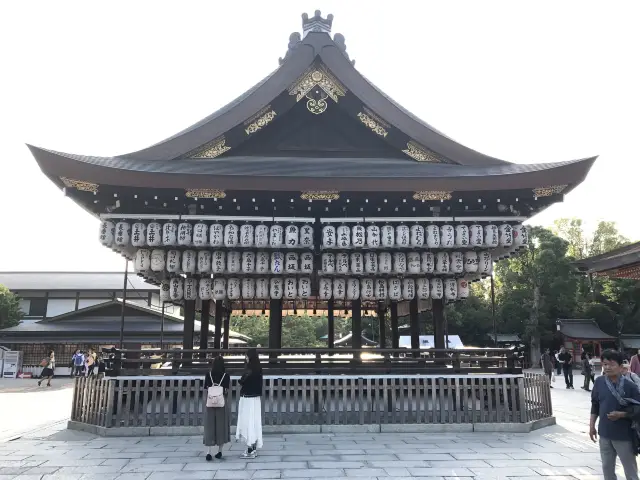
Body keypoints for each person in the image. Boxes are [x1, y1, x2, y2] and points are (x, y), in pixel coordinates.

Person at [590, 349, 640, 480]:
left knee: (630, 471)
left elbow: (638, 409)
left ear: (620, 366)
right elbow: (595, 405)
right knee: (607, 469)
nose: (607, 367)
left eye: (611, 364)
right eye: (605, 364)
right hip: (605, 433)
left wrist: (621, 415)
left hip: (624, 435)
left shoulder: (630, 386)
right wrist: (591, 426)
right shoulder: (599, 382)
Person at [236, 348, 263, 459]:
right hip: (256, 398)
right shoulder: (259, 368)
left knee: (247, 422)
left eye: (246, 356)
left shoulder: (249, 369)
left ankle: (249, 449)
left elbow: (241, 381)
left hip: (247, 398)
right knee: (255, 421)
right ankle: (254, 447)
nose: (245, 358)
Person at [203, 356, 231, 461]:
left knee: (209, 426)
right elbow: (227, 390)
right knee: (221, 426)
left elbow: (206, 388)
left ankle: (208, 452)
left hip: (210, 403)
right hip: (221, 403)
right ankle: (220, 451)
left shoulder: (208, 375)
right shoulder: (226, 376)